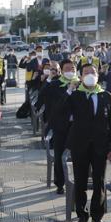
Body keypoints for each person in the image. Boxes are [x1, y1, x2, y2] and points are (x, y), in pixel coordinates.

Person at [61, 63, 111, 222]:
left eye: (92, 72)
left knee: (99, 181)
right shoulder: (75, 95)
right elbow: (60, 111)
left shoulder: (107, 96)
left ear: (98, 75)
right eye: (86, 73)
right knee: (79, 181)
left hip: (101, 146)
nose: (90, 75)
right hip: (80, 145)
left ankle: (97, 218)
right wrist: (69, 90)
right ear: (80, 76)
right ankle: (82, 216)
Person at [45, 59, 79, 194]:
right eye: (67, 69)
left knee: (78, 155)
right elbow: (56, 106)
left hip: (77, 127)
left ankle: (78, 181)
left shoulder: (81, 85)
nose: (70, 71)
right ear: (62, 71)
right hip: (61, 127)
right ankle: (60, 183)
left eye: (73, 69)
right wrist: (69, 90)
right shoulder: (55, 85)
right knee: (60, 156)